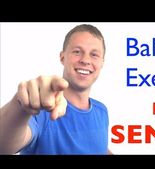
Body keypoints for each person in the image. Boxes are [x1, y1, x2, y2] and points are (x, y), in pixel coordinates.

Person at [0, 24, 111, 155]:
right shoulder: (41, 111)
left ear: (102, 62)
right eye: (77, 51)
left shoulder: (102, 111)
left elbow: (98, 147)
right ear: (62, 57)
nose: (85, 60)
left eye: (94, 54)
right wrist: (21, 106)